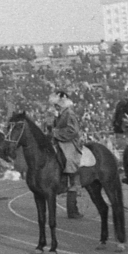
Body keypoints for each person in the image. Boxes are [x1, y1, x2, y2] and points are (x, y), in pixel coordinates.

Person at [49, 90, 83, 219]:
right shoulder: (60, 115)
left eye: (57, 105)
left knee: (69, 162)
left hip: (70, 143)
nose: (55, 107)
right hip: (60, 141)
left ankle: (70, 174)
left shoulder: (69, 114)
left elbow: (73, 130)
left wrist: (56, 132)